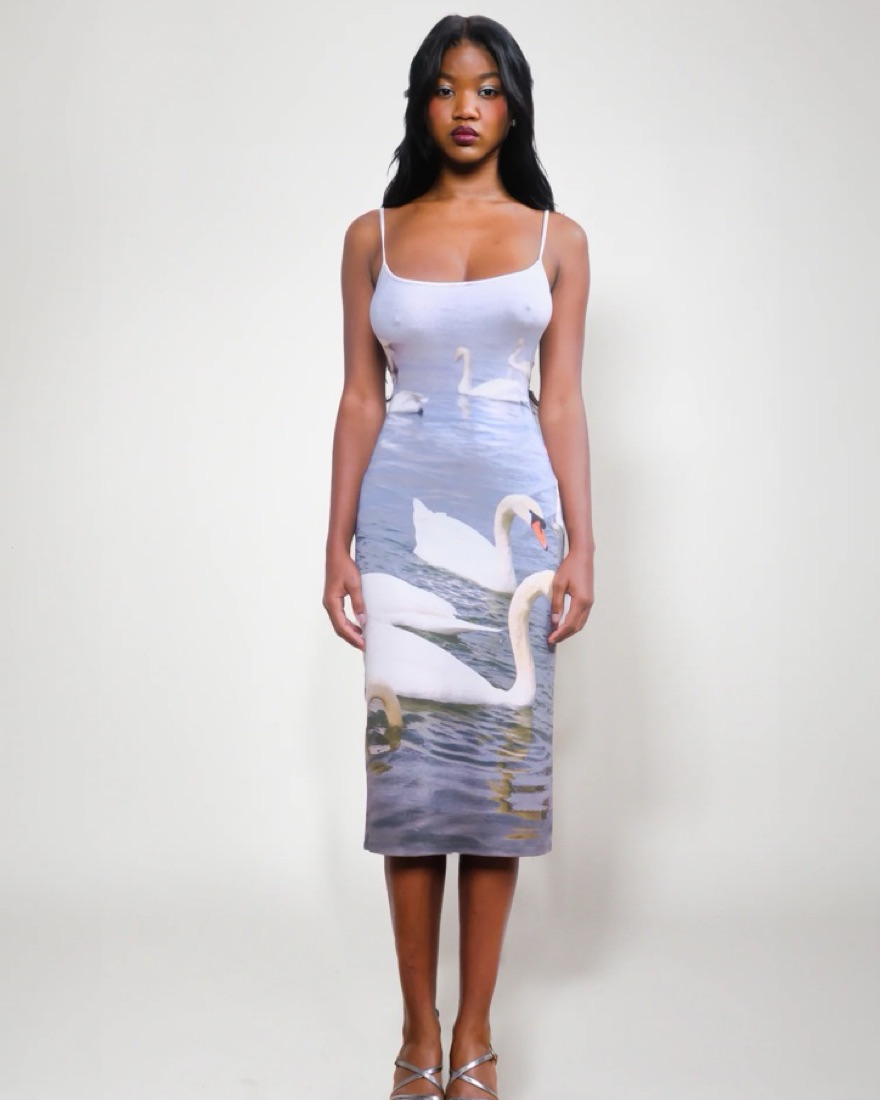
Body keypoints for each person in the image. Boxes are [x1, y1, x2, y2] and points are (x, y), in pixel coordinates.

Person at [323, 14, 594, 1099]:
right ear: (421, 104)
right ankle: (415, 1031)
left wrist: (583, 545)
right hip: (402, 510)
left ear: (512, 106)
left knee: (495, 781)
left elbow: (562, 400)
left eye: (485, 88)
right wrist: (337, 541)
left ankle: (474, 1033)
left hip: (518, 513)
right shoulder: (372, 237)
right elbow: (360, 395)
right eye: (445, 88)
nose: (466, 107)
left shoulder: (558, 239)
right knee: (412, 779)